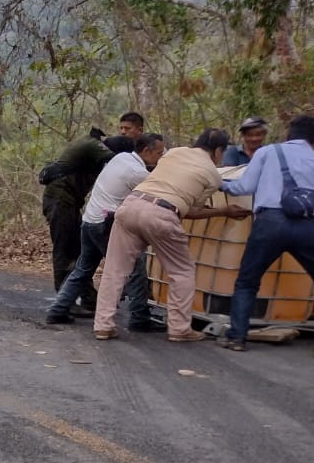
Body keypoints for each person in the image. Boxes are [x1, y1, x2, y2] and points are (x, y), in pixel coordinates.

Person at [92, 128, 251, 341]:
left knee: (115, 269)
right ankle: (179, 329)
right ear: (219, 150)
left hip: (130, 206)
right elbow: (190, 210)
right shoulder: (212, 174)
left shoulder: (174, 152)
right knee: (182, 271)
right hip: (162, 214)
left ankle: (103, 325)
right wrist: (223, 211)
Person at [45, 133, 166, 328]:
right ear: (146, 151)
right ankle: (140, 318)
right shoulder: (138, 173)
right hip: (105, 225)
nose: (161, 157)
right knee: (136, 268)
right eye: (159, 153)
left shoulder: (121, 158)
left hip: (90, 220)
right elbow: (161, 193)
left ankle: (57, 310)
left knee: (83, 269)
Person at [216, 114, 314, 351]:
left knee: (247, 281)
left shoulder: (268, 152)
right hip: (308, 224)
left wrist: (220, 183)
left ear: (288, 134)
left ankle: (237, 338)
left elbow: (245, 187)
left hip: (270, 223)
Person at [40, 132, 118, 311]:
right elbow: (117, 160)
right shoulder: (92, 145)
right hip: (60, 200)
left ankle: (88, 298)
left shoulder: (90, 150)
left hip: (69, 201)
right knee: (65, 249)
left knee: (79, 250)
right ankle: (64, 302)